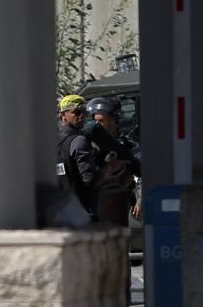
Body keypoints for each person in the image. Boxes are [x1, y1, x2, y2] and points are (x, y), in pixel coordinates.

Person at [84, 96, 142, 227]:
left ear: (113, 120)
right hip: (96, 206)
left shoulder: (127, 147)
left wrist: (140, 200)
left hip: (121, 204)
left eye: (101, 121)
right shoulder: (86, 147)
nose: (97, 125)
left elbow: (142, 173)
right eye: (94, 121)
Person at [57, 94, 99, 218]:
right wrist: (108, 171)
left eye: (84, 112)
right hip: (83, 210)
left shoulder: (52, 139)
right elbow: (90, 179)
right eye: (76, 112)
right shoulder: (79, 141)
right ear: (63, 115)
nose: (82, 116)